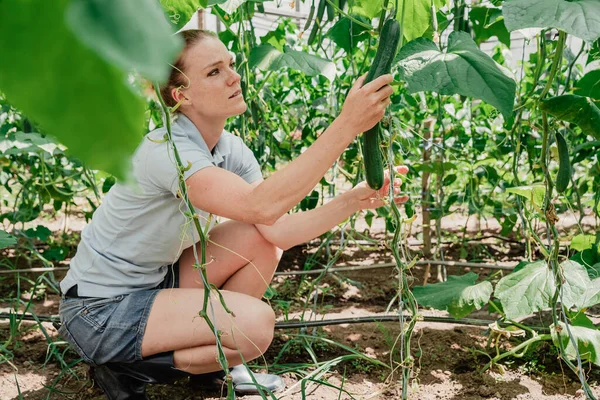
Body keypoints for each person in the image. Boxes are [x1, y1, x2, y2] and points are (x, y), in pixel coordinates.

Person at [57, 29, 408, 399]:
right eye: (214, 71)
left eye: (231, 65)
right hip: (100, 313)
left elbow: (278, 230)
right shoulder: (166, 150)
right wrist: (347, 124)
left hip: (154, 287)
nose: (234, 76)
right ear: (181, 95)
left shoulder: (229, 150)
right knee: (255, 327)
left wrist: (354, 199)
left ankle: (208, 371)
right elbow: (262, 205)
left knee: (259, 238)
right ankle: (124, 370)